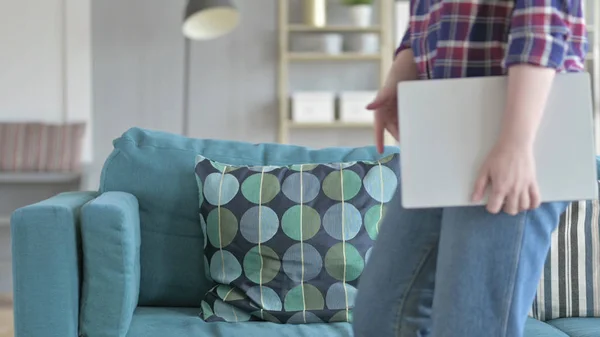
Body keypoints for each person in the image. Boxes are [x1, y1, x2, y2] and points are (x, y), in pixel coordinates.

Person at [352, 0, 588, 336]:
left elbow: (543, 22)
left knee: (470, 325)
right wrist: (401, 74)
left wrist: (516, 141)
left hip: (521, 124)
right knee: (383, 315)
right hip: (445, 122)